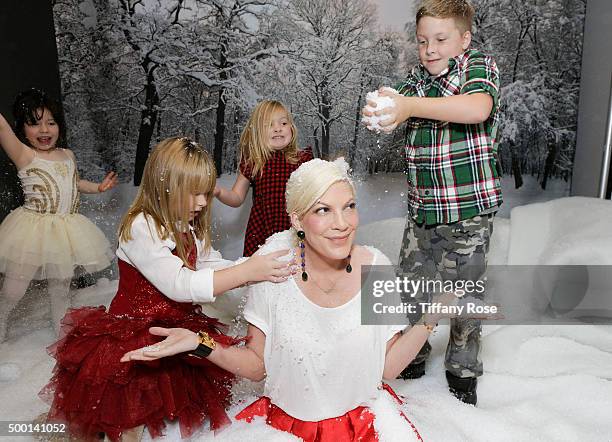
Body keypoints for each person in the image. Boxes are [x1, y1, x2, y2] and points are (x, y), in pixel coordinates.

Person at [121, 158, 474, 442]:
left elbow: (386, 368)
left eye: (349, 206)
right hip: (285, 431)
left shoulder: (375, 266)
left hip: (366, 427)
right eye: (323, 210)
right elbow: (259, 366)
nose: (342, 223)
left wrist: (431, 317)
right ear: (297, 220)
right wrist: (199, 344)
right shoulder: (273, 268)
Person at [39, 137, 295, 441]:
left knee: (170, 405)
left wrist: (252, 268)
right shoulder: (139, 227)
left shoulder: (187, 224)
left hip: (176, 331)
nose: (203, 203)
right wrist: (246, 272)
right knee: (124, 413)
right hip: (132, 336)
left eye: (206, 193)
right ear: (166, 186)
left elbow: (209, 265)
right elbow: (180, 285)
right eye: (195, 193)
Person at [362, 0, 502, 405]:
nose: (431, 49)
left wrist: (410, 106)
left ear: (464, 39)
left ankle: (462, 369)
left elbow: (477, 108)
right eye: (423, 41)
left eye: (441, 39)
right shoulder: (416, 80)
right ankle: (413, 352)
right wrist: (384, 108)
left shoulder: (478, 67)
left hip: (469, 213)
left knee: (465, 296)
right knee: (412, 289)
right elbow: (396, 106)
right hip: (423, 213)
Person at [0, 88, 117, 341]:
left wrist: (97, 187)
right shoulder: (24, 154)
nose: (44, 130)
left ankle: (61, 330)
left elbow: (75, 182)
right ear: (22, 129)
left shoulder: (68, 155)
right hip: (31, 229)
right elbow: (2, 129)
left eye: (51, 123)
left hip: (65, 230)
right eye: (35, 124)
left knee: (61, 287)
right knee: (14, 288)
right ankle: (2, 316)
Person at [214, 99, 313, 256]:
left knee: (296, 272)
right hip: (262, 232)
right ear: (258, 132)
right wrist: (219, 192)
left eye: (283, 123)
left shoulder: (303, 159)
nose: (278, 129)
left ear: (292, 128)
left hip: (295, 230)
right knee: (260, 276)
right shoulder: (254, 162)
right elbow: (236, 197)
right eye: (269, 125)